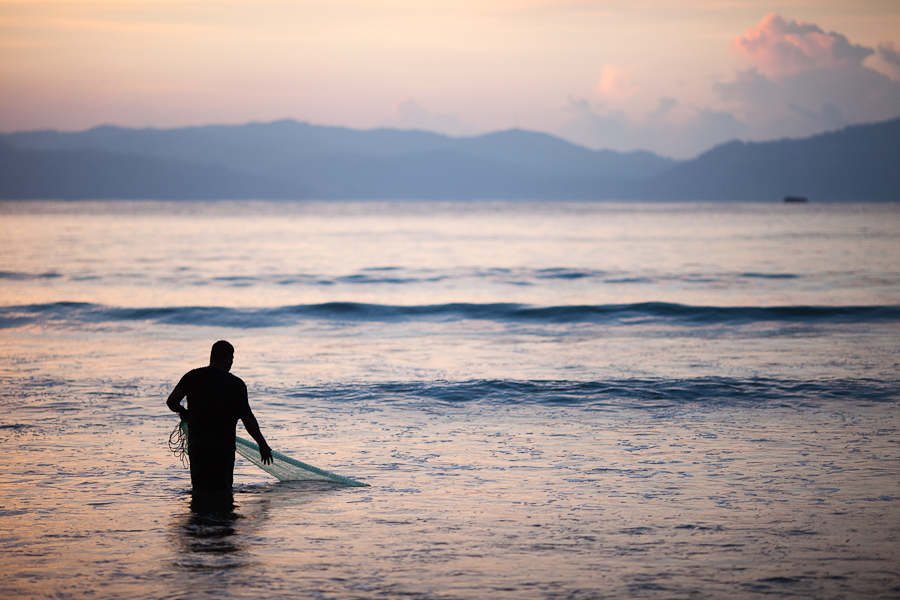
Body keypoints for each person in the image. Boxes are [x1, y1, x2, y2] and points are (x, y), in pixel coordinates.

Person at [166, 340, 273, 492]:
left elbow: (171, 402)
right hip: (223, 447)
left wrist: (184, 413)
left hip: (198, 444)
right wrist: (262, 445)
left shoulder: (192, 376)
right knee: (223, 491)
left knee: (200, 490)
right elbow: (248, 419)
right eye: (232, 359)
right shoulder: (236, 384)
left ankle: (201, 515)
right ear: (227, 359)